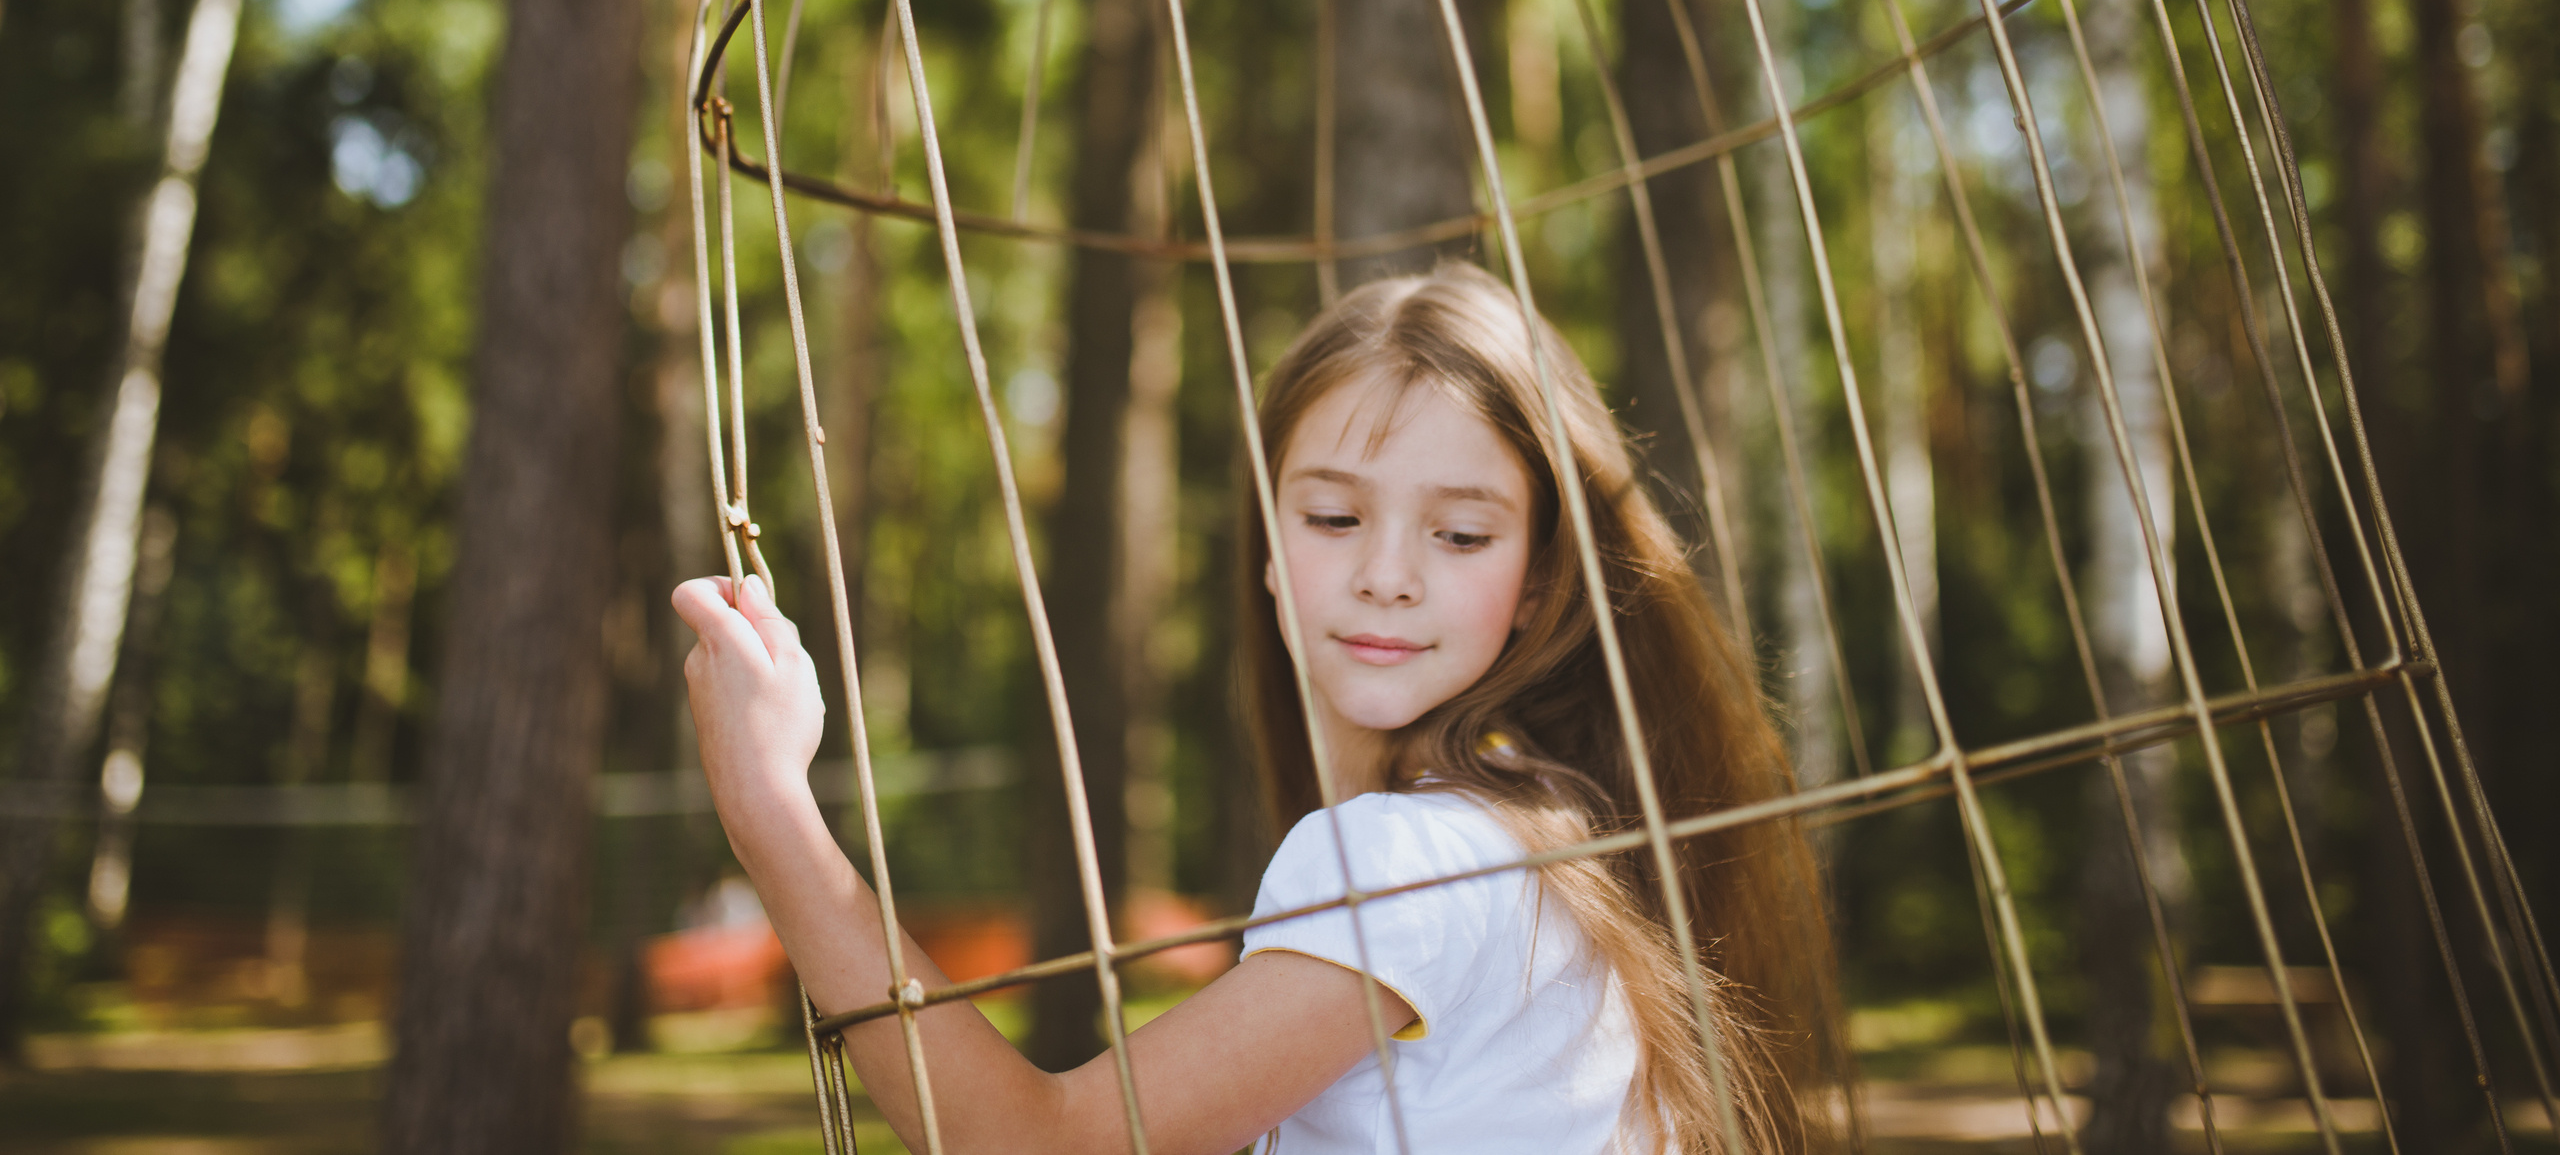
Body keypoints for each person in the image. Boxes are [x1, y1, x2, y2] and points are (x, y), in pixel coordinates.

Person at [676, 261, 1844, 1154]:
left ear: (1540, 573)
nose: (1388, 570)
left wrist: (773, 812)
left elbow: (1043, 1145)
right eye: (1334, 516)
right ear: (1272, 549)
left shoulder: (1413, 854)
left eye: (1461, 531)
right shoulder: (1542, 827)